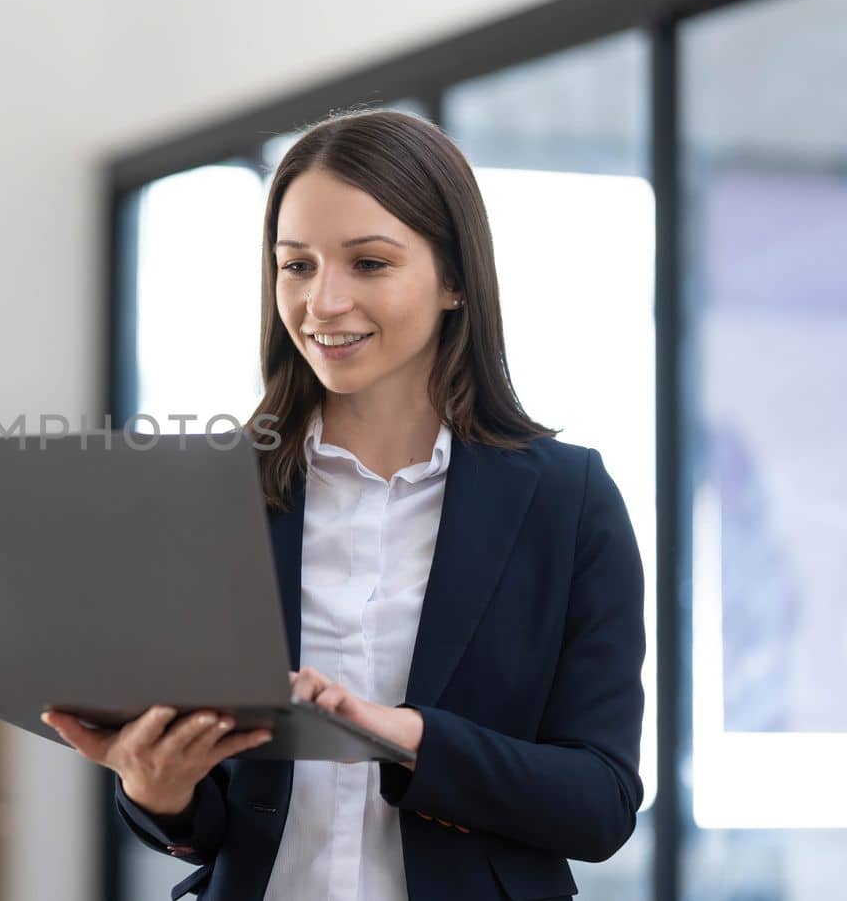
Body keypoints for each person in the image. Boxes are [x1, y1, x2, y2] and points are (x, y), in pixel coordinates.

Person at [41, 108, 646, 900]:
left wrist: (404, 739)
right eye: (297, 266)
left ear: (455, 279)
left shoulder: (569, 503)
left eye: (367, 263)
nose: (323, 303)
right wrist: (157, 787)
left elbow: (600, 803)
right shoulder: (212, 494)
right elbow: (209, 826)